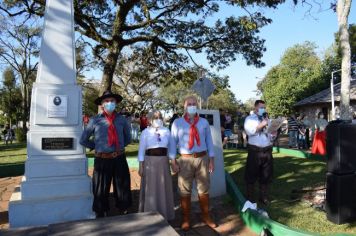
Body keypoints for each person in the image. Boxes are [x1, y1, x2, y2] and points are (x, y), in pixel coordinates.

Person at [80, 90, 132, 218]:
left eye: (112, 101)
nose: (110, 103)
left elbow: (128, 138)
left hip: (119, 157)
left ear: (116, 103)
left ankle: (123, 208)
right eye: (106, 101)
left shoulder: (122, 120)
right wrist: (97, 146)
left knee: (122, 185)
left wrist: (118, 147)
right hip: (102, 159)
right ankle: (101, 211)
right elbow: (83, 139)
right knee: (100, 187)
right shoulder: (94, 120)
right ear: (102, 104)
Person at [170, 95, 217, 231]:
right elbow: (173, 142)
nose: (191, 106)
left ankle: (206, 216)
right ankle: (185, 219)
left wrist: (212, 160)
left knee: (204, 188)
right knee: (184, 190)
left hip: (202, 158)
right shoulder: (177, 123)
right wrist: (173, 161)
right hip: (184, 159)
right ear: (184, 106)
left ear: (197, 106)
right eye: (189, 104)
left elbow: (209, 141)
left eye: (194, 103)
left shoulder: (203, 122)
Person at [138, 110, 175, 221]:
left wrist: (173, 161)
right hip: (150, 162)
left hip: (163, 162)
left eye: (159, 117)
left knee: (163, 187)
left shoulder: (167, 131)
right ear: (150, 119)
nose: (158, 119)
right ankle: (149, 214)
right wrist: (141, 165)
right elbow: (141, 150)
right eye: (155, 117)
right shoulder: (145, 132)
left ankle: (165, 213)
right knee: (151, 187)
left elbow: (172, 148)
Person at [244, 100, 276, 205]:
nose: (263, 109)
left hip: (267, 150)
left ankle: (263, 197)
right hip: (255, 151)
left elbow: (271, 137)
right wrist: (261, 125)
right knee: (251, 175)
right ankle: (250, 198)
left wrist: (273, 134)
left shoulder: (267, 119)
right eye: (261, 107)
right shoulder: (249, 119)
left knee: (266, 175)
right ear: (255, 107)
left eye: (264, 107)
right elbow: (249, 132)